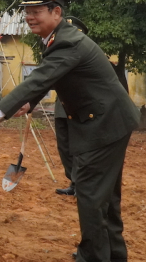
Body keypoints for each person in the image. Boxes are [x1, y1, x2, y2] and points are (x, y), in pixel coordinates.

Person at [0, 0, 140, 262]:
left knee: (89, 194)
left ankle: (93, 256)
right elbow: (53, 77)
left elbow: (39, 78)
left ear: (56, 12)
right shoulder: (58, 40)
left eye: (36, 12)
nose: (29, 18)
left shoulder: (68, 42)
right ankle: (113, 255)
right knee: (105, 197)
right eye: (27, 12)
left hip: (104, 124)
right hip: (108, 121)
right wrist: (30, 102)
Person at [53, 16, 87, 197]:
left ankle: (80, 183)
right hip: (61, 108)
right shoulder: (58, 54)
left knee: (79, 148)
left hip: (80, 110)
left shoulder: (85, 54)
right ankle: (73, 181)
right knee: (64, 147)